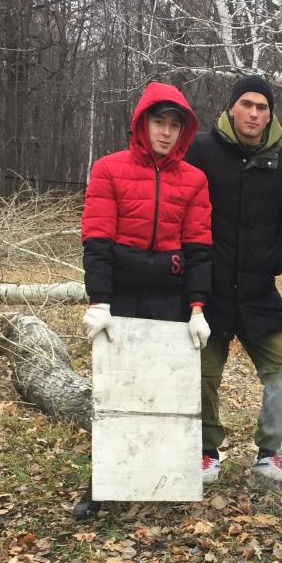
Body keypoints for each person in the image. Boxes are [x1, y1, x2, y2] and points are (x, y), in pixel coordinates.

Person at [75, 81, 213, 518]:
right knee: (116, 389)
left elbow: (198, 247)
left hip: (169, 298)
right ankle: (102, 484)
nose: (167, 132)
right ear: (142, 123)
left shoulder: (194, 179)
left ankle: (163, 480)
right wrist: (99, 300)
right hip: (121, 295)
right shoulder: (109, 170)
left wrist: (197, 308)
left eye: (175, 124)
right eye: (159, 122)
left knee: (166, 389)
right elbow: (97, 239)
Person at [185, 75, 282, 484]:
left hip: (257, 291)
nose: (254, 113)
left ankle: (268, 454)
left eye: (262, 107)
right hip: (209, 289)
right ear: (231, 107)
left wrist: (277, 255)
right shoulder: (199, 150)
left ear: (270, 115)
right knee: (201, 375)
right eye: (247, 104)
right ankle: (205, 452)